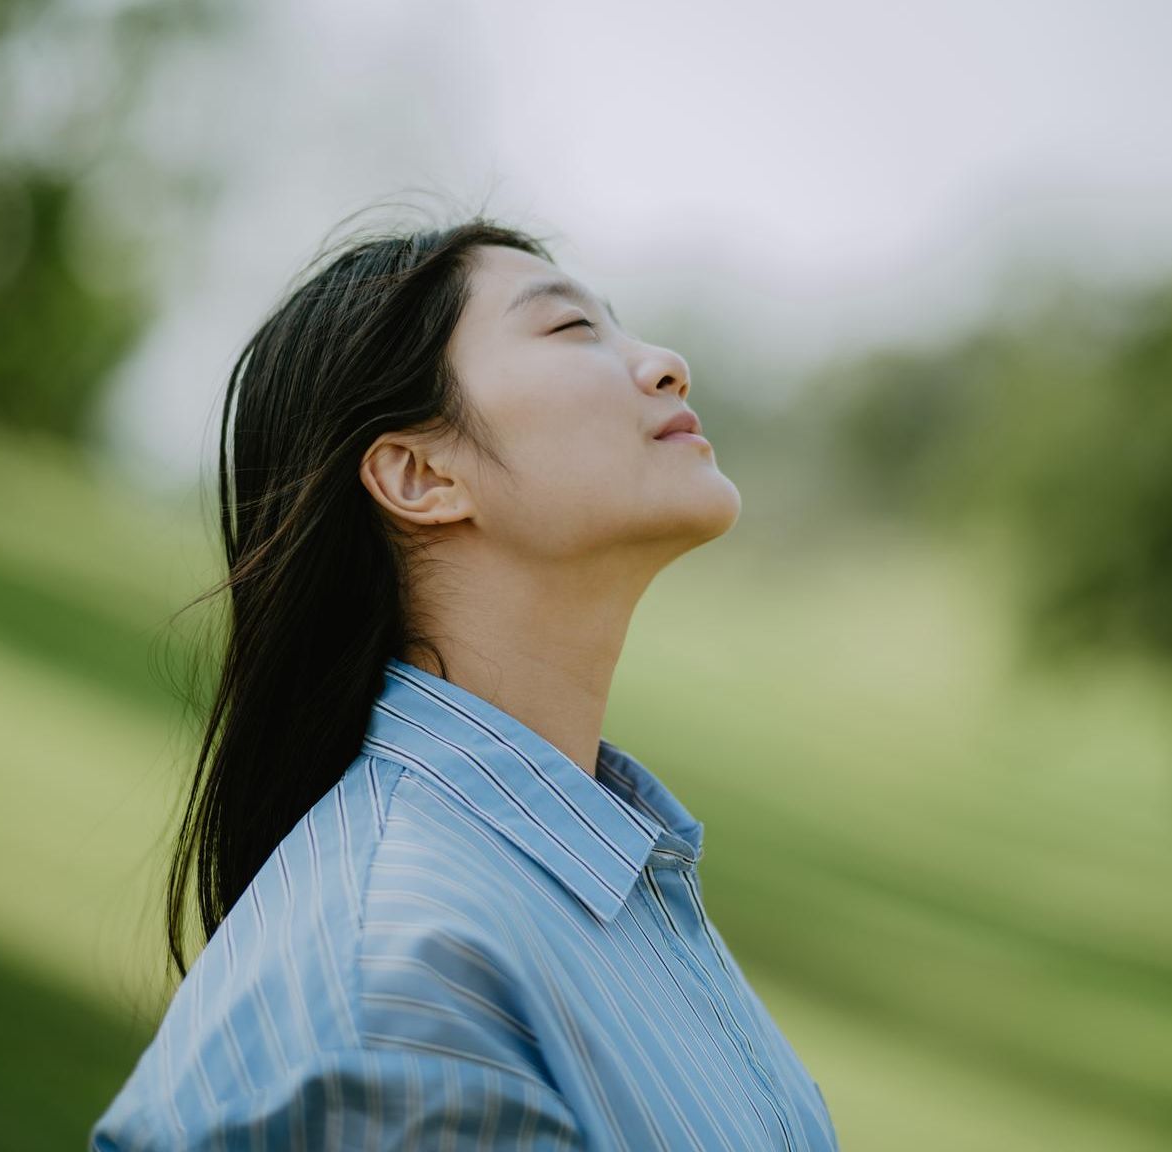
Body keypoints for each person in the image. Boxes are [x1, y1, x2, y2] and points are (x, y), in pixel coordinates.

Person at [91, 212, 840, 1150]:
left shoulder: (592, 875)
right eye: (573, 330)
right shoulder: (402, 999)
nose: (664, 361)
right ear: (417, 474)